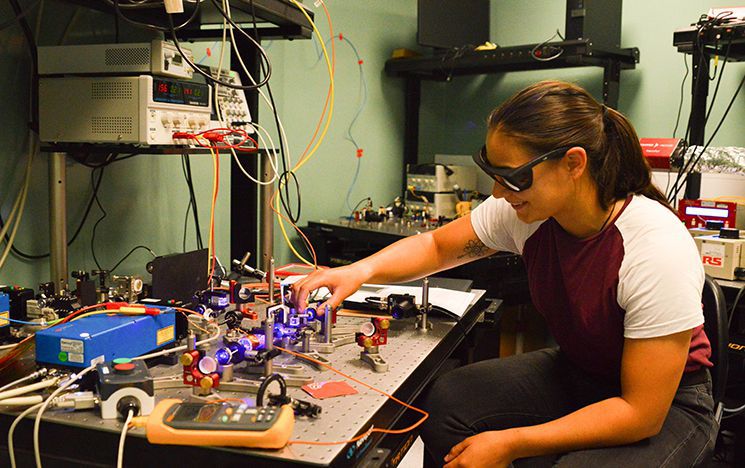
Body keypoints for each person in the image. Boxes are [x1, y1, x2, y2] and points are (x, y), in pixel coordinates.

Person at [291, 81, 716, 467]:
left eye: (511, 177)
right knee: (448, 401)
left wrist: (510, 443)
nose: (497, 192)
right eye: (493, 173)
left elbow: (640, 413)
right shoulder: (526, 212)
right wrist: (358, 271)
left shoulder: (654, 246)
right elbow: (437, 246)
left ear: (573, 163)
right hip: (580, 372)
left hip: (667, 407)